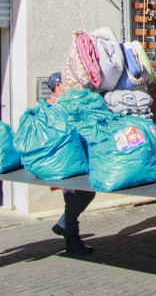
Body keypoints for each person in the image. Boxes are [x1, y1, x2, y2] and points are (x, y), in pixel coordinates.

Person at [45, 72, 96, 254]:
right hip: (65, 163)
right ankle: (72, 242)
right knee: (73, 199)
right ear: (58, 86)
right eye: (65, 84)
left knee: (87, 194)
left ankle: (62, 225)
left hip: (72, 160)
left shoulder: (60, 104)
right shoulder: (53, 106)